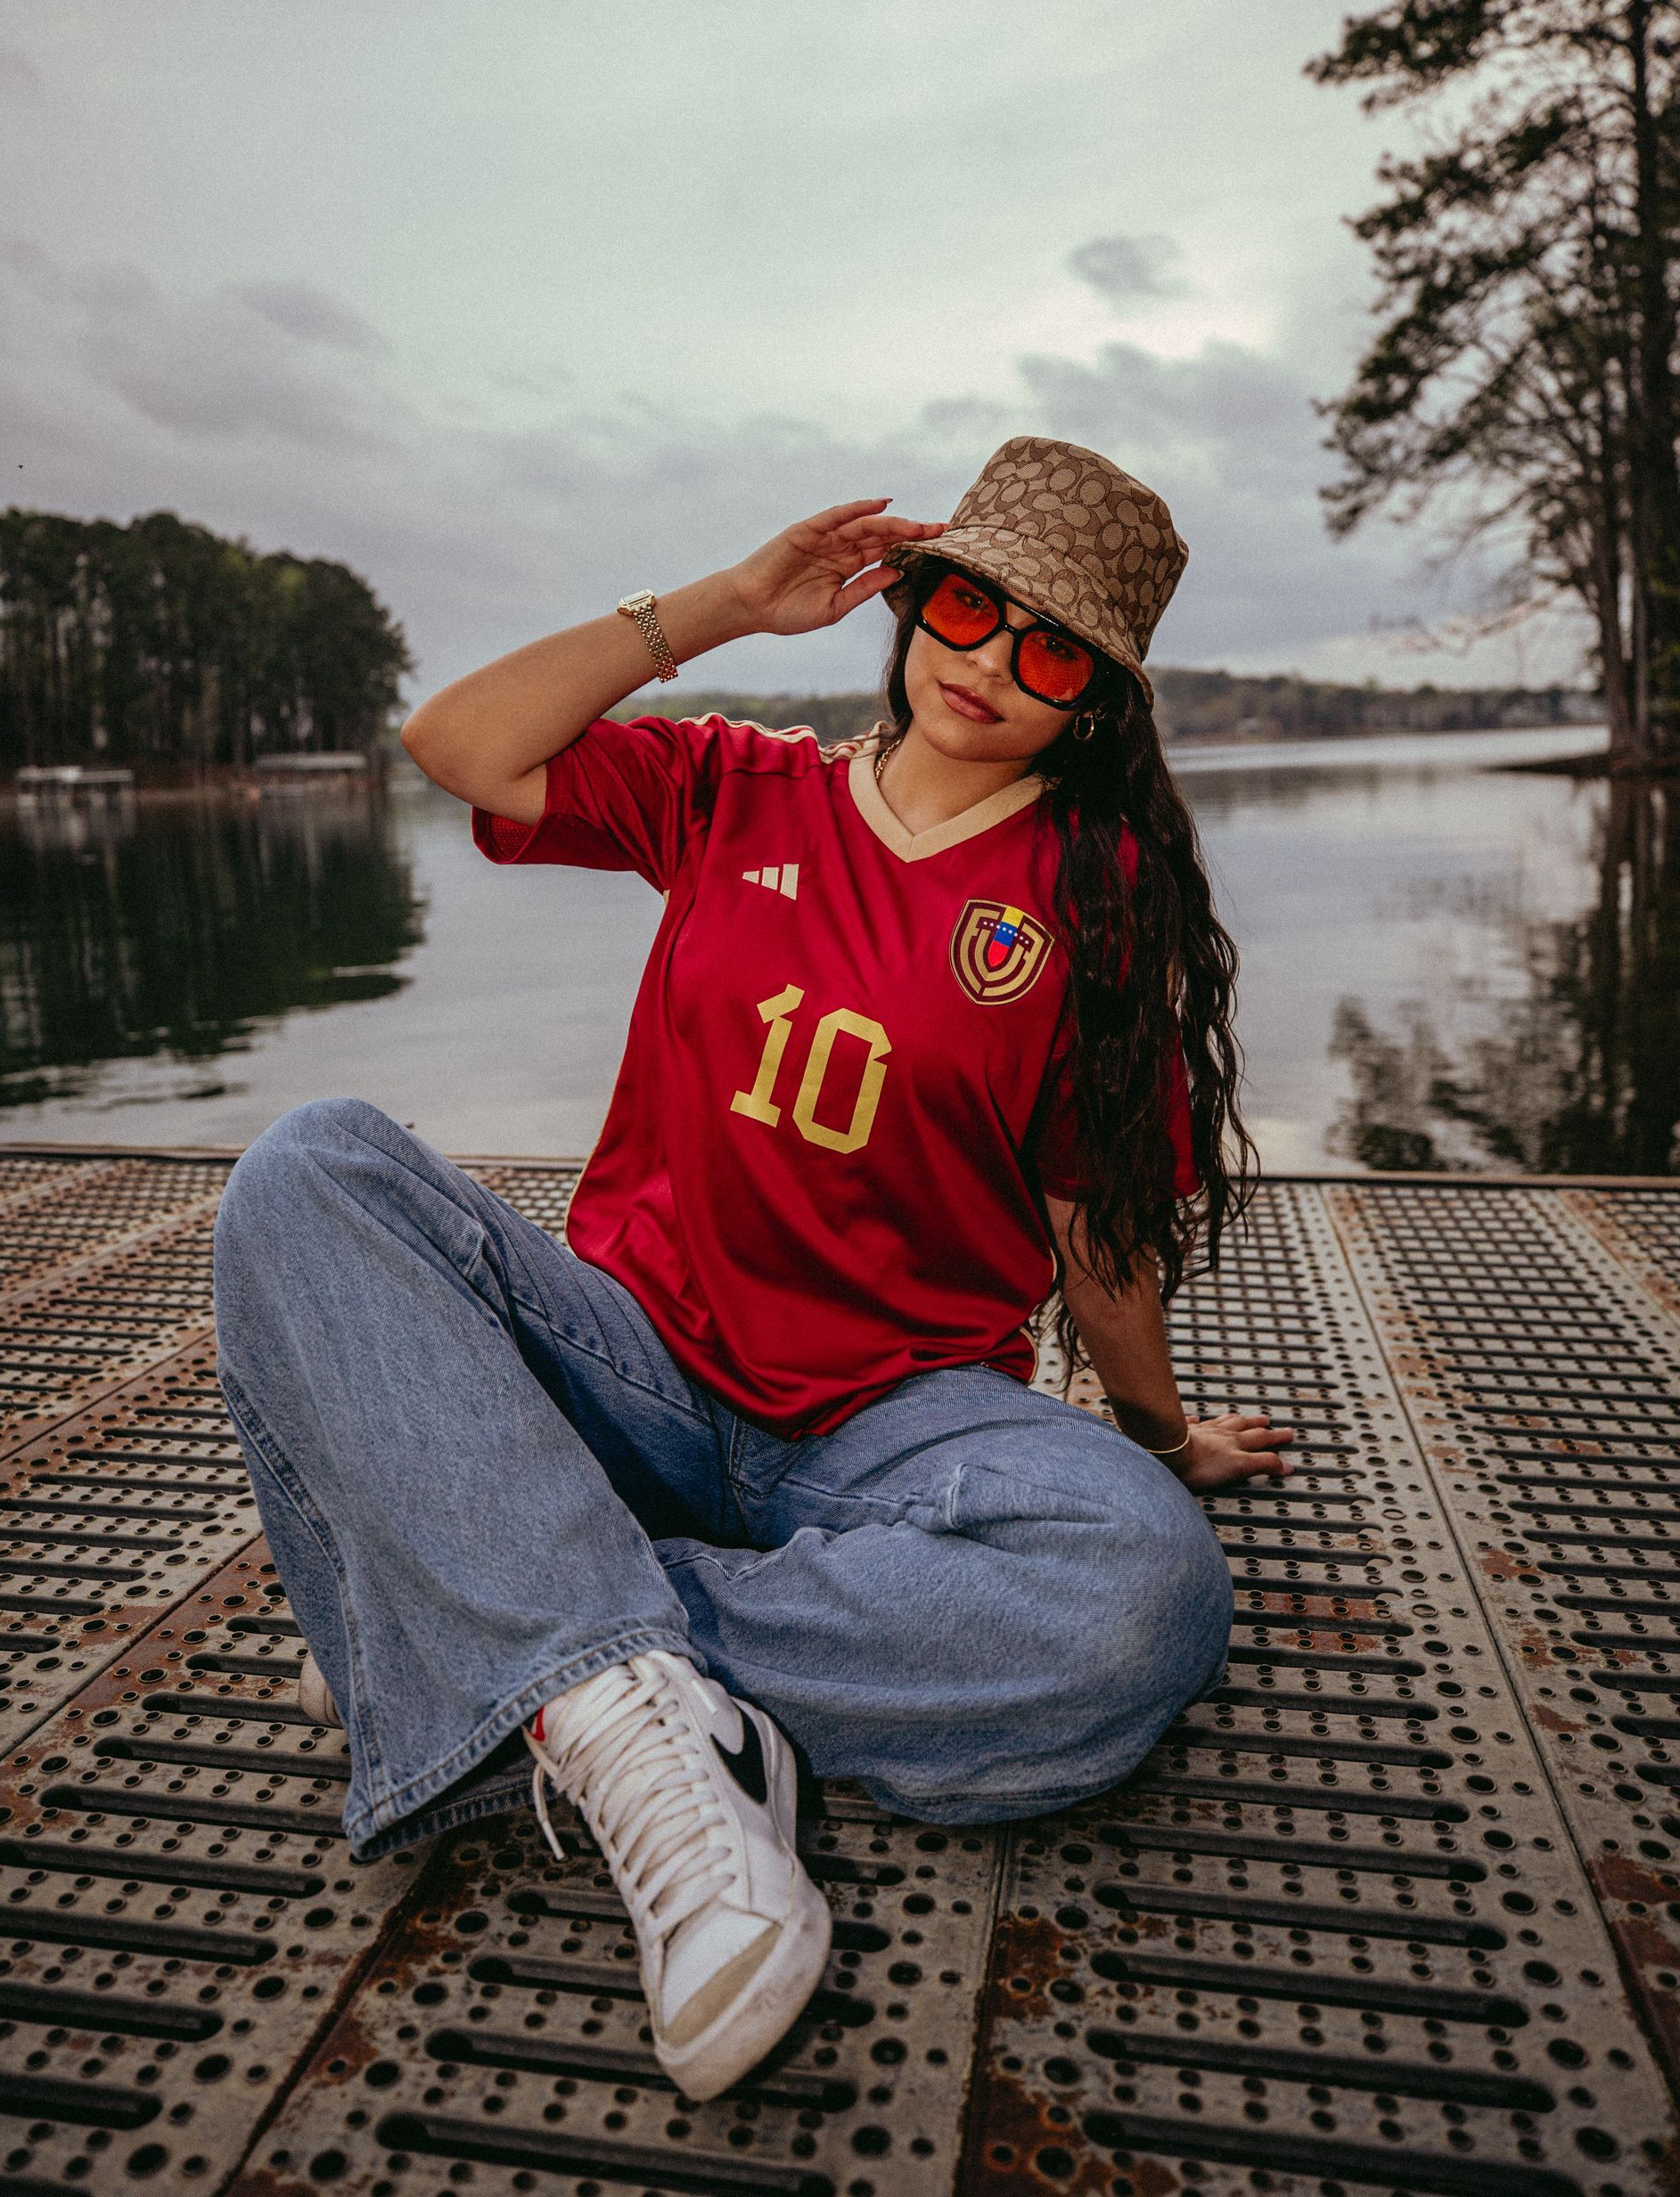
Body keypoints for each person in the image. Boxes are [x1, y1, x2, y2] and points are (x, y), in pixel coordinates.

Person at [212, 433, 1293, 2104]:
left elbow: (1097, 1226)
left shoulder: (1101, 895)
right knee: (313, 1169)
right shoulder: (738, 787)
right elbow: (458, 745)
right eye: (966, 605)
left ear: (1099, 698)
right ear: (914, 599)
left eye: (1053, 646)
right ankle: (606, 1686)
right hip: (633, 1367)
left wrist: (1156, 1440)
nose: (990, 663)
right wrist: (719, 605)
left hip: (897, 1423)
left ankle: (516, 1635)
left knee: (1147, 1598)